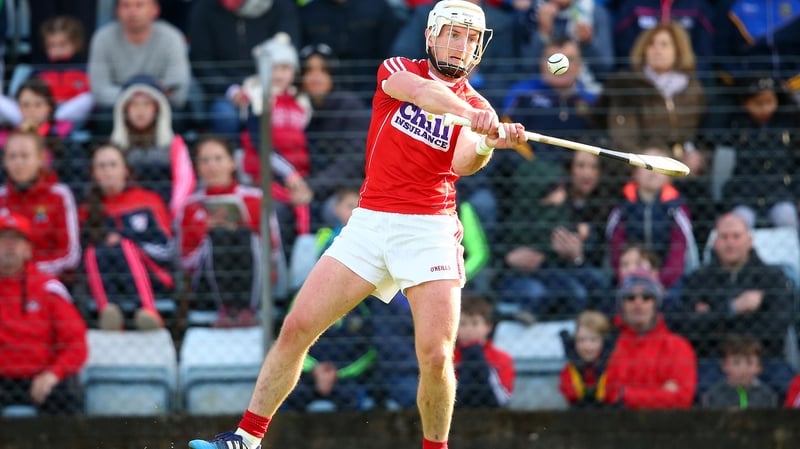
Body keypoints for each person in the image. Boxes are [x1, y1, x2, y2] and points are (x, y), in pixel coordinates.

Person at [187, 2, 526, 448]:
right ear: (431, 36)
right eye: (451, 34)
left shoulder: (478, 108)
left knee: (436, 354)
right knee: (297, 327)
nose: (459, 45)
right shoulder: (398, 69)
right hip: (370, 224)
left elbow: (464, 162)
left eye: (468, 38)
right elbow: (422, 94)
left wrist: (487, 139)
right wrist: (468, 114)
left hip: (430, 231)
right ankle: (246, 438)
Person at [676, 213, 795, 398]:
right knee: (699, 390)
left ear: (749, 240)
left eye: (736, 236)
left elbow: (778, 325)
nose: (730, 243)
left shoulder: (773, 277)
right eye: (724, 237)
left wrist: (714, 315)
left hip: (764, 358)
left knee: (789, 388)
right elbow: (690, 328)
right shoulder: (697, 280)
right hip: (715, 359)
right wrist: (734, 308)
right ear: (715, 242)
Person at [179, 137, 293, 327]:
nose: (212, 166)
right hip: (207, 284)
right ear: (197, 167)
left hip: (254, 276)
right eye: (205, 161)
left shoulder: (255, 199)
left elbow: (273, 250)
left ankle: (246, 310)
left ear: (232, 163)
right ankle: (226, 309)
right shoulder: (190, 206)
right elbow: (185, 261)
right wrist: (206, 232)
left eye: (218, 158)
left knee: (242, 236)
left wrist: (240, 229)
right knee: (218, 237)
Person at [0, 211, 88, 415]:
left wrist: (53, 374)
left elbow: (76, 342)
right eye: (3, 239)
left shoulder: (48, 288)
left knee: (67, 412)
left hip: (42, 378)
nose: (9, 246)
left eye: (17, 240)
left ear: (29, 251)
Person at [80, 143, 174, 331]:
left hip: (152, 275)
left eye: (113, 165)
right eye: (101, 166)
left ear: (125, 170)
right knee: (92, 252)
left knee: (124, 246)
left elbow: (166, 249)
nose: (108, 171)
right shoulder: (86, 209)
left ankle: (148, 311)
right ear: (93, 173)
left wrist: (127, 240)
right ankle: (108, 313)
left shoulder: (148, 200)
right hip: (108, 278)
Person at [188, 0, 300, 136]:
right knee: (225, 115)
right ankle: (232, 155)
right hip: (225, 92)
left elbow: (285, 51)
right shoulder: (205, 8)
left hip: (269, 87)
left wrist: (261, 88)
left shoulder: (280, 6)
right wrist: (231, 90)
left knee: (279, 112)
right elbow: (201, 62)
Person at [87, 0, 191, 133]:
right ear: (117, 11)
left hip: (159, 106)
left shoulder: (172, 37)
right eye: (126, 6)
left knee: (179, 116)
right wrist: (135, 99)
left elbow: (179, 92)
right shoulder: (102, 38)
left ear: (155, 10)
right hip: (120, 107)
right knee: (103, 118)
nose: (132, 12)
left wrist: (147, 101)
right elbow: (99, 91)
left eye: (139, 5)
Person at [603, 270, 697, 409]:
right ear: (622, 305)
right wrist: (661, 394)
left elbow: (682, 398)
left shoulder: (678, 346)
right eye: (630, 297)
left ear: (655, 304)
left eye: (646, 296)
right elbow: (607, 394)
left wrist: (627, 394)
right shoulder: (608, 345)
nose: (638, 302)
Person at [605, 147, 694, 290]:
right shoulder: (623, 206)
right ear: (635, 172)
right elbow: (616, 246)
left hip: (667, 280)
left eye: (660, 166)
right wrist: (626, 277)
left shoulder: (676, 208)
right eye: (647, 165)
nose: (653, 171)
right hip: (628, 276)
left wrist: (661, 281)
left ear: (670, 175)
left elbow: (679, 249)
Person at [110, 75, 196, 219]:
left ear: (157, 108)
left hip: (168, 211)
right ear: (124, 109)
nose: (140, 111)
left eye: (146, 104)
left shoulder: (175, 145)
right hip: (125, 214)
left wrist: (173, 216)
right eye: (134, 104)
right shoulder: (114, 147)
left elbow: (185, 184)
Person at [720, 75, 800, 229]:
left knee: (787, 217)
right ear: (745, 103)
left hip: (781, 193)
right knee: (739, 222)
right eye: (757, 103)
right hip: (744, 194)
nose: (764, 108)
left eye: (769, 102)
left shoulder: (789, 126)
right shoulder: (735, 125)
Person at [0, 129, 80, 277]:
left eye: (25, 156)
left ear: (40, 159)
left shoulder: (59, 195)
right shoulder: (1, 197)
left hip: (46, 282)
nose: (18, 162)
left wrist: (28, 272)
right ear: (5, 161)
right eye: (12, 156)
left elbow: (70, 255)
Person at [454, 291, 514, 408]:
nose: (469, 329)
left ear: (488, 327)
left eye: (475, 323)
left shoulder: (501, 358)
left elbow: (503, 398)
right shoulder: (448, 358)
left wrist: (482, 365)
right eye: (463, 324)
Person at [701, 334, 779, 409]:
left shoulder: (768, 395)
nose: (743, 368)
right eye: (736, 362)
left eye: (749, 363)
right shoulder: (713, 395)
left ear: (759, 368)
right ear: (724, 366)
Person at [559, 309, 614, 408]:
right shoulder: (570, 370)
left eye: (593, 340)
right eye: (581, 340)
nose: (587, 346)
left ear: (604, 342)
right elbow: (568, 392)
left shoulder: (612, 368)